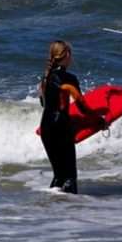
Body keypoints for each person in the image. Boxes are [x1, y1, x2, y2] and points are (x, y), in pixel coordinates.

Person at [39, 40, 104, 194]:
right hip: (61, 127)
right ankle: (70, 213)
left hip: (46, 127)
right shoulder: (69, 79)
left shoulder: (45, 78)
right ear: (67, 55)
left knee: (58, 175)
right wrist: (99, 121)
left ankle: (54, 209)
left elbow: (43, 103)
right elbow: (82, 106)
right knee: (69, 176)